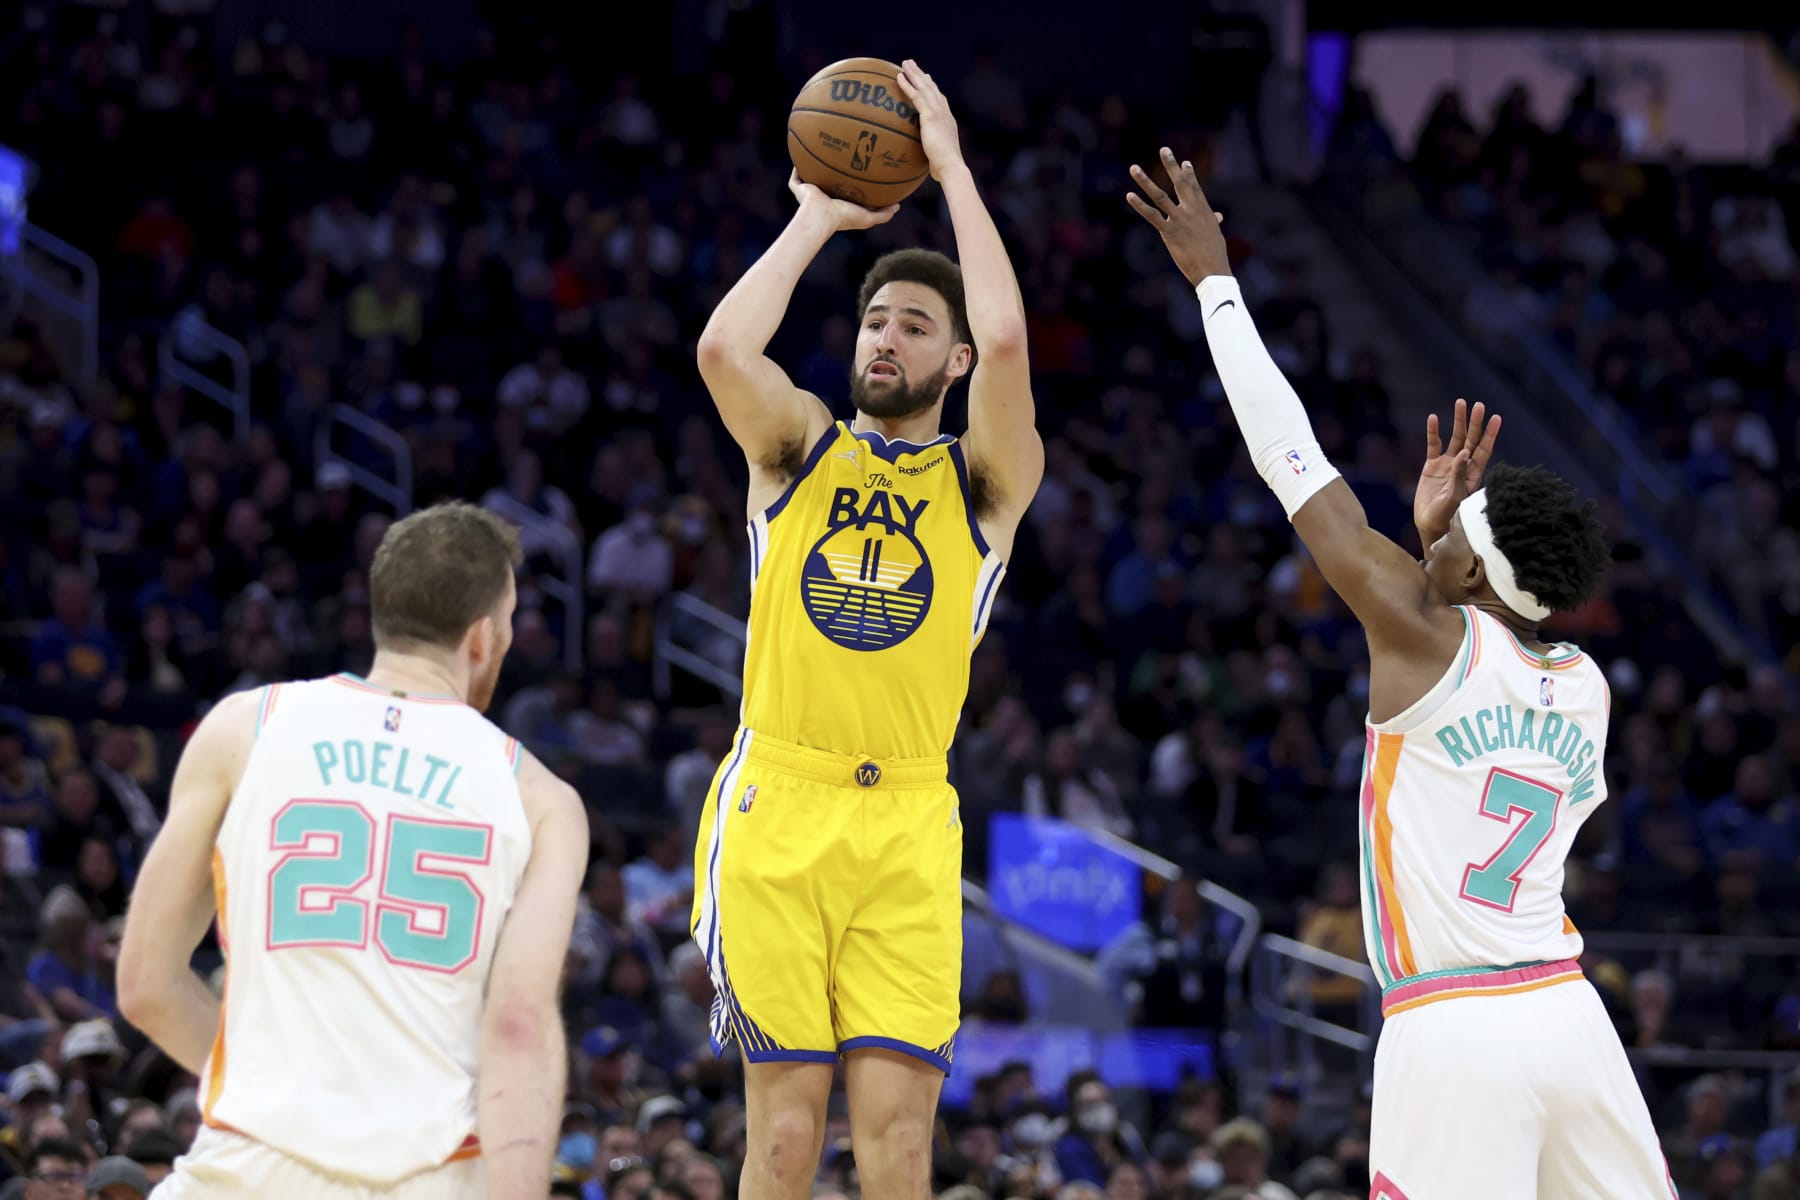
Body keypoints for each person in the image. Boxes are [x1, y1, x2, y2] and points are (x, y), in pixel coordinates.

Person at [1127, 148, 1672, 1199]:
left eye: (1456, 528)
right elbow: (1493, 630)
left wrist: (1214, 281)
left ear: (1469, 567)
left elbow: (1295, 464)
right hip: (1568, 1013)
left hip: (1453, 1025)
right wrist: (1447, 544)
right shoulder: (1587, 684)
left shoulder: (1421, 636)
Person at [690, 59, 1043, 1200]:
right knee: (785, 1143)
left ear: (953, 362)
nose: (885, 337)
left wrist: (949, 169)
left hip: (905, 819)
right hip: (778, 807)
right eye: (874, 319)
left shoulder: (987, 488)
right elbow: (723, 353)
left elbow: (1006, 334)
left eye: (914, 326)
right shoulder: (797, 446)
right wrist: (813, 218)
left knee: (898, 1150)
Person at [117, 502, 589, 1199]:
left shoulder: (244, 727)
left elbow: (145, 986)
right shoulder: (542, 799)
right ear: (484, 637)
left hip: (242, 1169)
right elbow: (519, 1028)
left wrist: (276, 1091)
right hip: (429, 1177)